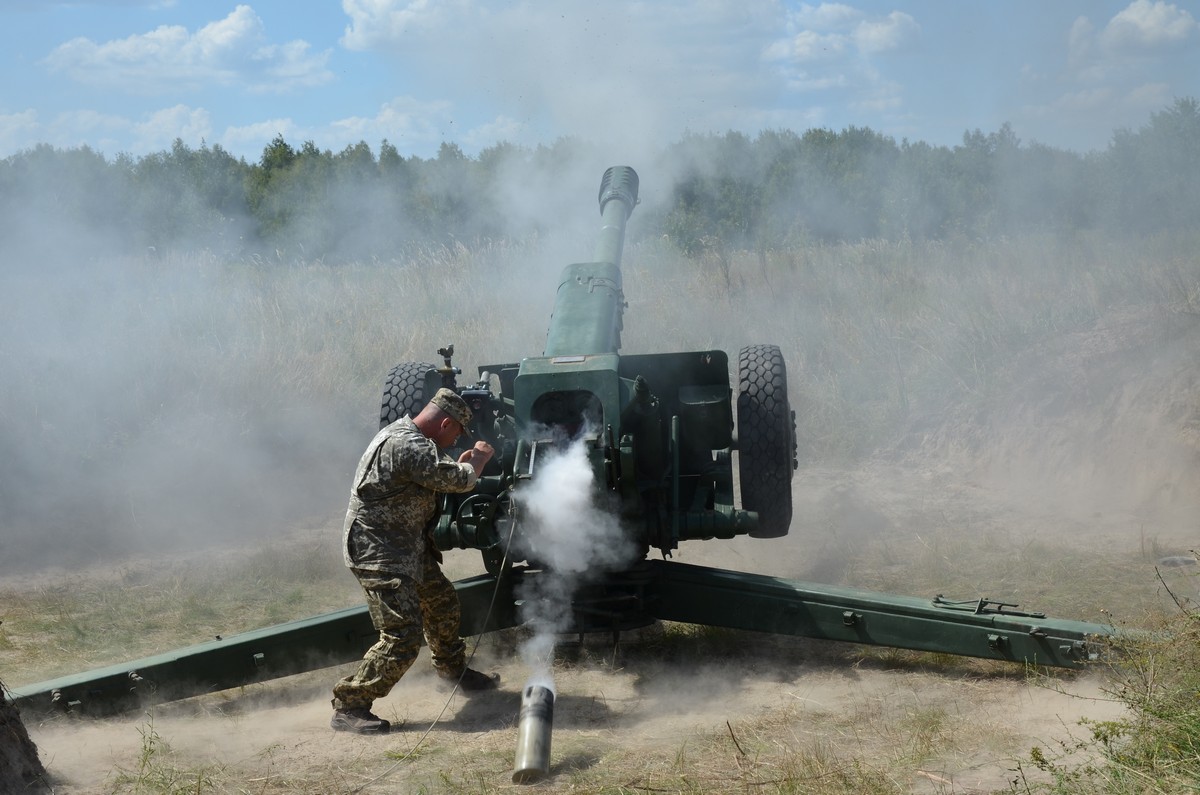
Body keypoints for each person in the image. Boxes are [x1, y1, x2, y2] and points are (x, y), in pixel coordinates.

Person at [331, 387, 499, 734]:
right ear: (446, 423)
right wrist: (478, 460)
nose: (455, 440)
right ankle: (350, 705)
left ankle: (452, 672)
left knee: (442, 605)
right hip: (379, 553)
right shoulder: (409, 444)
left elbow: (436, 472)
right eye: (456, 433)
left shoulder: (405, 436)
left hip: (404, 548)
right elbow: (460, 480)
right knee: (402, 636)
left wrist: (459, 461)